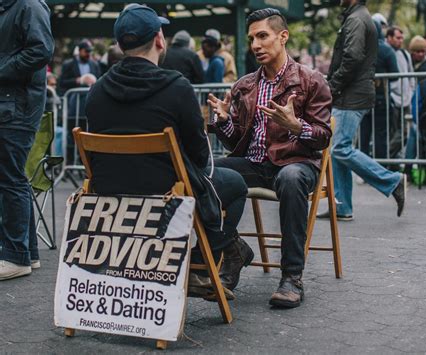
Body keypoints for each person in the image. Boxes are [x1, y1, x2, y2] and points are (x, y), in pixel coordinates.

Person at [84, 4, 248, 299]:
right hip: (168, 195)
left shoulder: (96, 92)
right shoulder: (177, 88)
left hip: (109, 196)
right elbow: (200, 158)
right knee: (235, 183)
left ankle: (219, 254)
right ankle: (199, 265)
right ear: (160, 40)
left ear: (120, 45)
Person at [208, 8, 332, 308]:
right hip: (254, 164)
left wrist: (296, 126)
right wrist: (224, 121)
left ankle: (291, 277)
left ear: (283, 36)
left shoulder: (311, 80)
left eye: (262, 36)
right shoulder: (245, 85)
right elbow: (236, 140)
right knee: (203, 172)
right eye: (252, 38)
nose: (256, 45)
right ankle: (232, 249)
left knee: (289, 179)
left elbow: (323, 136)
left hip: (296, 163)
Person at [324, 0, 406, 222]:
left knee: (340, 149)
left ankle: (392, 180)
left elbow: (352, 58)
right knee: (338, 151)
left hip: (352, 95)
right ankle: (342, 207)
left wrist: (332, 87)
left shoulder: (357, 19)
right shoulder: (357, 17)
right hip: (351, 93)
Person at [0, 0, 54, 279]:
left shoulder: (27, 5)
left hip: (17, 106)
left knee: (10, 180)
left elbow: (41, 50)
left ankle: (16, 255)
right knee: (12, 178)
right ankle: (25, 253)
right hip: (14, 104)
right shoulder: (19, 6)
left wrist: (2, 68)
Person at [360, 19, 399, 159]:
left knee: (363, 136)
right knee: (380, 136)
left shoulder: (359, 47)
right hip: (381, 98)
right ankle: (380, 167)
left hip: (362, 98)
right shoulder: (387, 50)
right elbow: (395, 76)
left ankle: (363, 169)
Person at [386, 26, 416, 158]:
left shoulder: (405, 54)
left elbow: (411, 74)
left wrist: (411, 90)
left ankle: (387, 157)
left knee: (404, 133)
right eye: (398, 38)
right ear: (389, 38)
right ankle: (387, 160)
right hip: (392, 99)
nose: (400, 40)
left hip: (406, 100)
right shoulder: (386, 53)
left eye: (402, 38)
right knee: (392, 133)